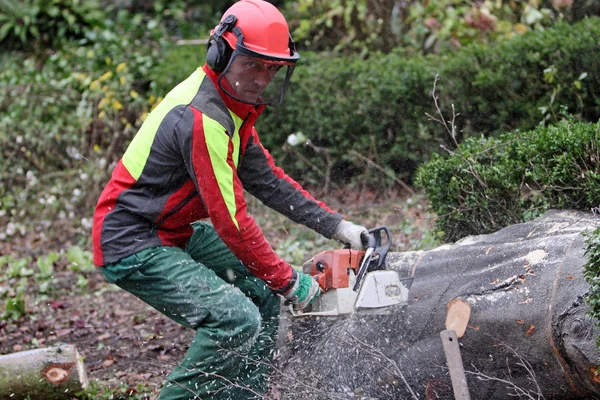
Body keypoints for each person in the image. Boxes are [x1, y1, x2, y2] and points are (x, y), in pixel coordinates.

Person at [92, 0, 368, 398]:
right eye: (252, 64)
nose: (261, 79)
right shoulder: (202, 118)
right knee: (235, 319)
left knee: (262, 294)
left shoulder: (232, 108)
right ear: (221, 53)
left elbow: (268, 181)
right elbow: (231, 221)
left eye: (271, 69)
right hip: (130, 240)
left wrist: (340, 227)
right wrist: (291, 282)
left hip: (169, 231)